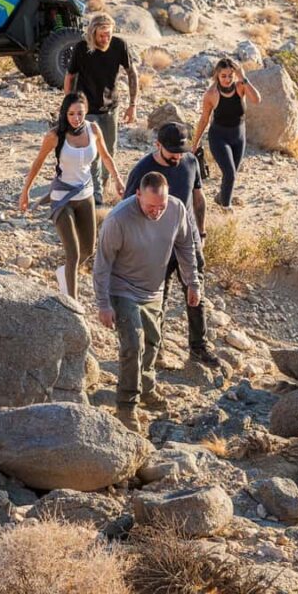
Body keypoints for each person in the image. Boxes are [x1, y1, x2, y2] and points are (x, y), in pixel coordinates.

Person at [94, 171, 200, 432]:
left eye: (160, 206)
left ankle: (147, 388)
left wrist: (193, 282)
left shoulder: (176, 209)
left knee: (153, 344)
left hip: (153, 291)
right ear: (138, 194)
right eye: (151, 206)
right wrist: (103, 304)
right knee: (133, 344)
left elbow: (186, 246)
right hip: (123, 289)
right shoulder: (118, 219)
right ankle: (126, 405)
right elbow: (102, 264)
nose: (157, 212)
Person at [123, 122, 218, 366]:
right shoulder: (144, 170)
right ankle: (156, 349)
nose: (177, 155)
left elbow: (198, 198)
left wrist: (202, 233)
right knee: (158, 297)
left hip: (188, 240)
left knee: (196, 293)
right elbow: (128, 208)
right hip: (156, 245)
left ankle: (199, 346)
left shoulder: (190, 161)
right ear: (158, 145)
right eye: (172, 151)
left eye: (181, 150)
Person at [20, 92, 124, 299]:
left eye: (80, 113)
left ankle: (63, 273)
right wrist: (26, 192)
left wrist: (118, 180)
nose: (76, 118)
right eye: (71, 114)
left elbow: (105, 156)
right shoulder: (55, 135)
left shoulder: (93, 129)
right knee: (74, 254)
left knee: (88, 250)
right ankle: (72, 302)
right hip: (62, 198)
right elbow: (38, 163)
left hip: (85, 195)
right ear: (64, 114)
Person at [64, 12, 139, 205]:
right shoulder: (82, 48)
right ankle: (95, 194)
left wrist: (133, 105)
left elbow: (132, 73)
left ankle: (103, 184)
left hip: (110, 107)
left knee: (110, 151)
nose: (106, 38)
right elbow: (70, 76)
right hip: (87, 109)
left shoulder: (119, 45)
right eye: (102, 35)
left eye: (109, 34)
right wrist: (68, 105)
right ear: (92, 33)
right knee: (94, 153)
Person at [191, 58, 261, 210]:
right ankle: (226, 209)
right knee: (229, 174)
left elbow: (256, 100)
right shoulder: (211, 94)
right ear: (217, 75)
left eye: (231, 75)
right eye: (224, 76)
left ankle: (221, 197)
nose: (228, 79)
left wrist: (243, 78)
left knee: (231, 175)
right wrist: (195, 143)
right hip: (219, 137)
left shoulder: (240, 87)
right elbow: (204, 120)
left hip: (239, 137)